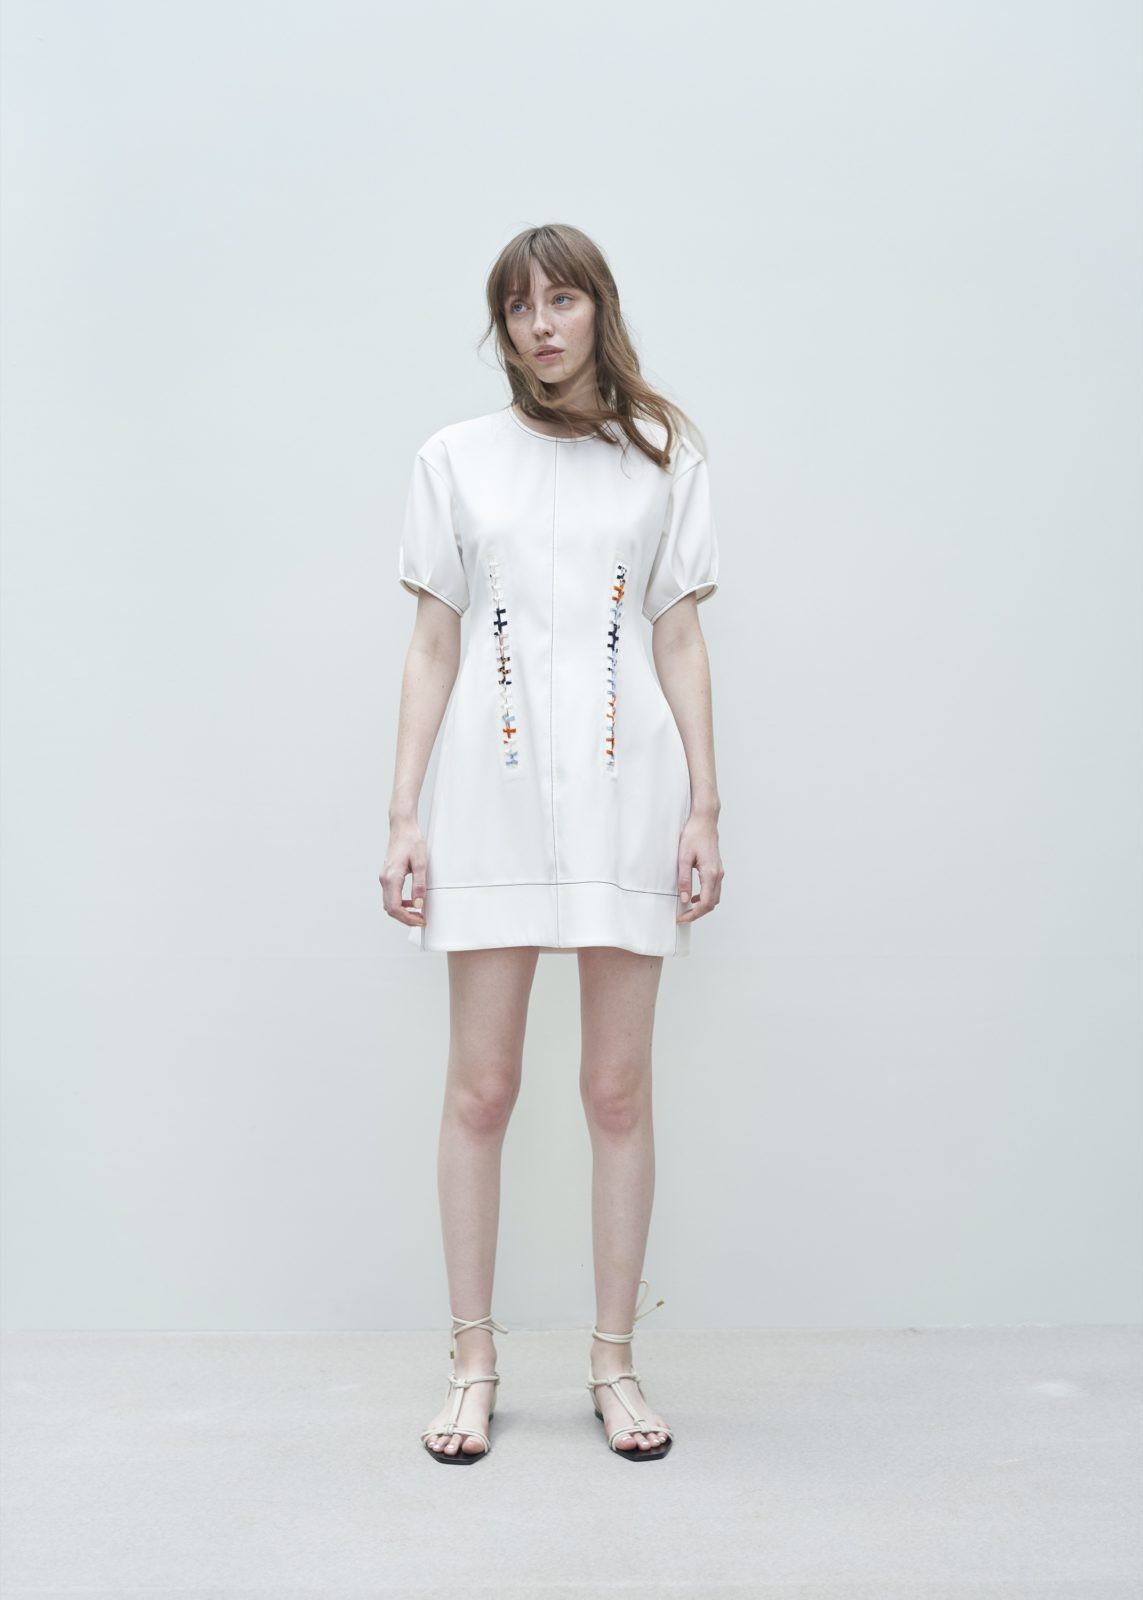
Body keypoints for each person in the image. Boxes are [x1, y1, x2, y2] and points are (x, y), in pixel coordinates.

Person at [380, 223, 723, 1463]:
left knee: (617, 1089)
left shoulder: (664, 457)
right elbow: (433, 644)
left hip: (633, 795)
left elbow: (678, 636)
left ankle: (615, 1364)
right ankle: (472, 1362)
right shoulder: (455, 460)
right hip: (491, 795)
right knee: (482, 1088)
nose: (541, 325)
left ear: (597, 311)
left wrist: (705, 807)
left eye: (562, 300)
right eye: (519, 306)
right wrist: (404, 814)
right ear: (504, 327)